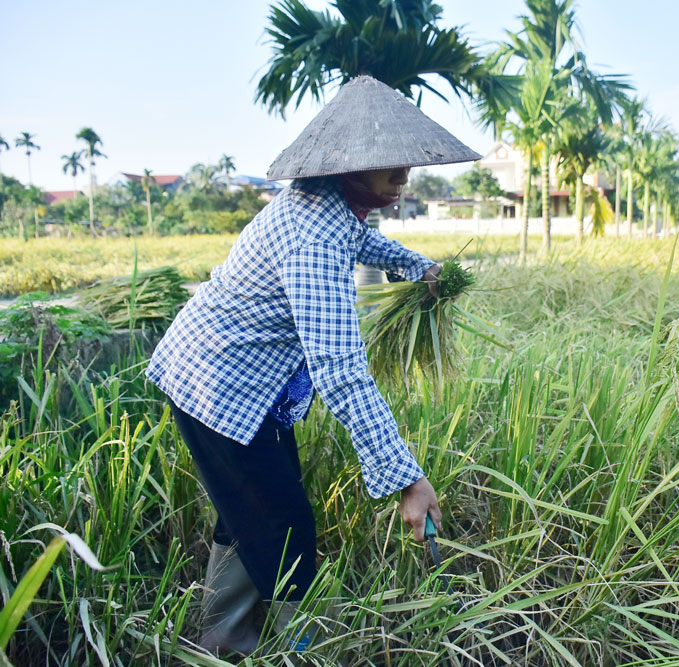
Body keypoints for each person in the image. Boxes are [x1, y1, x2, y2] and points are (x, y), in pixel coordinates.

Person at [146, 75, 481, 656]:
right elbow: (340, 370)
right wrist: (406, 478)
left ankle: (222, 645)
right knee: (284, 532)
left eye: (407, 164)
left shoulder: (328, 206)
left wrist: (421, 268)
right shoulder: (312, 238)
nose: (404, 176)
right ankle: (306, 651)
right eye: (389, 165)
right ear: (349, 166)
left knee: (251, 515)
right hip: (217, 386)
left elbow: (365, 243)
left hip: (248, 389)